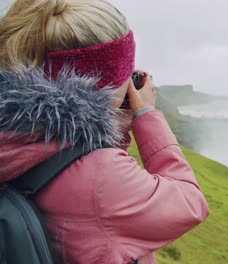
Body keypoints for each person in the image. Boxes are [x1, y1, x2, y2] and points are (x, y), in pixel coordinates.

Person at [0, 0, 209, 263]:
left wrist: (109, 127)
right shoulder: (102, 178)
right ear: (110, 84)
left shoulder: (18, 136)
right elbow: (190, 203)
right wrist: (147, 115)